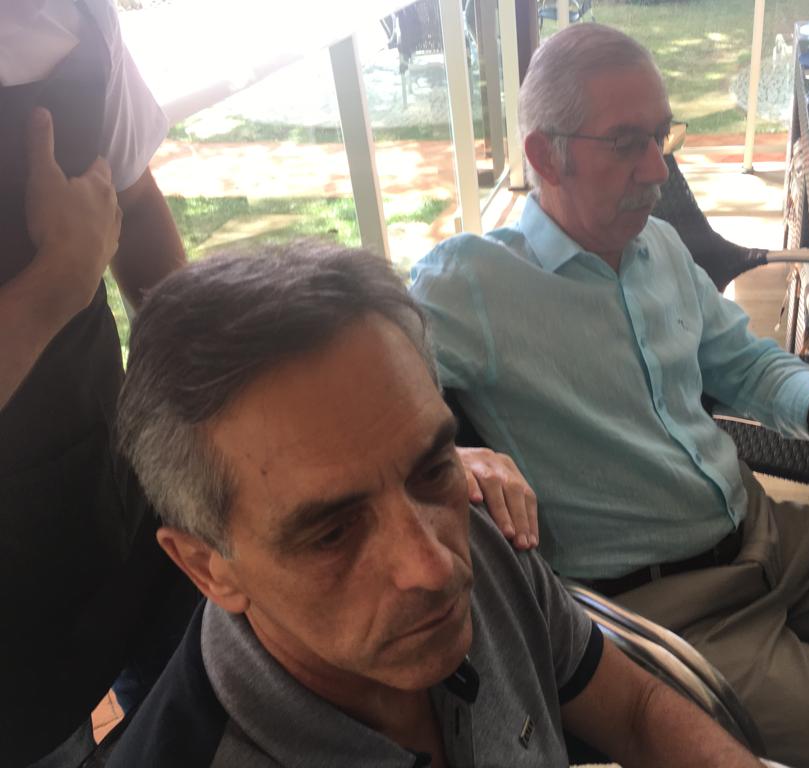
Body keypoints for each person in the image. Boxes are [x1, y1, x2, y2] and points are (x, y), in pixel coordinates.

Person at [408, 22, 809, 768]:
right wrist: (454, 458)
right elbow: (354, 403)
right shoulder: (470, 283)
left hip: (774, 536)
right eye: (627, 142)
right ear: (545, 155)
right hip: (668, 610)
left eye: (662, 136)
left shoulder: (657, 245)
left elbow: (745, 361)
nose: (658, 169)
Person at [107, 242, 762, 768]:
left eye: (431, 469)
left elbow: (635, 713)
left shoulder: (485, 537)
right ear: (206, 567)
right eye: (332, 533)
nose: (437, 566)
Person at [0, 2, 195, 764]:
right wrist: (59, 279)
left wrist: (208, 383)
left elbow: (132, 201)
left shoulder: (68, 13)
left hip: (112, 492)